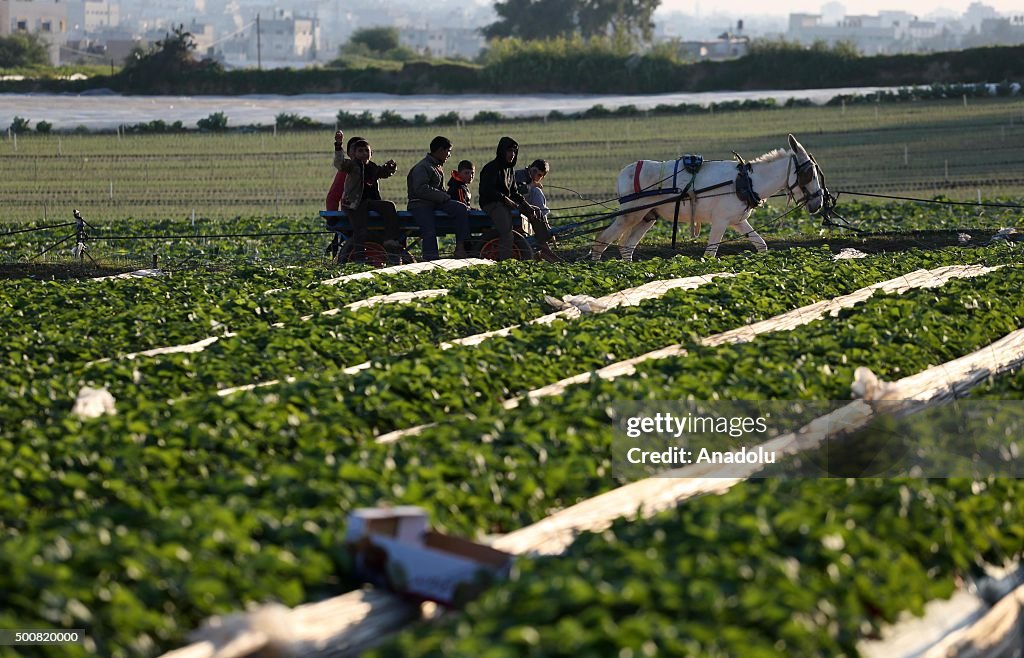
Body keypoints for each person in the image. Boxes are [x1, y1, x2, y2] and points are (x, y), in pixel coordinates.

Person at [479, 137, 556, 261]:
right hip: (492, 203)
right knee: (507, 232)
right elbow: (487, 191)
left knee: (535, 211)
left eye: (514, 152)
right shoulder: (491, 168)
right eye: (509, 151)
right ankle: (504, 262)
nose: (512, 154)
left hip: (506, 202)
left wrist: (527, 206)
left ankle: (544, 246)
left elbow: (514, 192)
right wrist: (504, 199)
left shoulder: (509, 170)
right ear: (502, 151)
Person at [332, 130, 401, 263]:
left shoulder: (373, 167)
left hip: (370, 202)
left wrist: (390, 168)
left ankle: (389, 240)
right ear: (354, 154)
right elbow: (339, 163)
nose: (364, 154)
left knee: (389, 207)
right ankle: (359, 258)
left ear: (371, 153)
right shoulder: (352, 166)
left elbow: (383, 173)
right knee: (361, 230)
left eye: (366, 151)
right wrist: (338, 145)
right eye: (360, 151)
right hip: (354, 203)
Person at [407, 136, 469, 260]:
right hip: (420, 204)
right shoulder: (423, 167)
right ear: (440, 150)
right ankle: (431, 261)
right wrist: (444, 196)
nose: (449, 155)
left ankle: (461, 248)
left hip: (435, 202)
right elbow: (421, 189)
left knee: (461, 208)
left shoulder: (436, 166)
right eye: (448, 151)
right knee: (429, 231)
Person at [514, 159, 552, 236]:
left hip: (524, 205)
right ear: (530, 167)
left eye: (539, 175)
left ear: (542, 177)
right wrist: (531, 186)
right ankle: (544, 229)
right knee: (536, 191)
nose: (535, 176)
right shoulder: (521, 174)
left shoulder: (531, 180)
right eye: (534, 171)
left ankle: (545, 226)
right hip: (513, 204)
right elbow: (516, 191)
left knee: (536, 192)